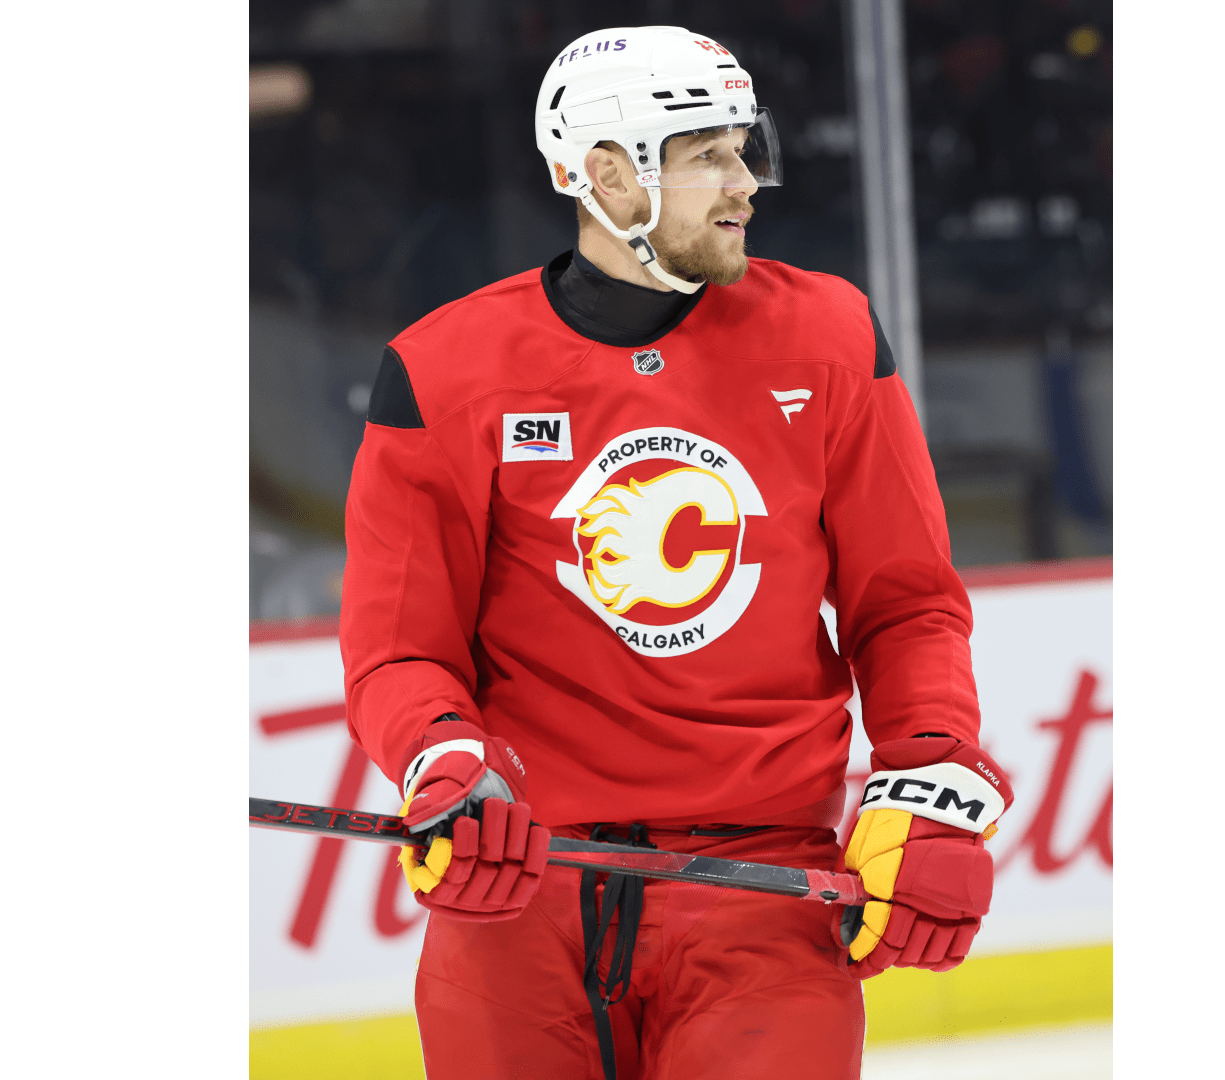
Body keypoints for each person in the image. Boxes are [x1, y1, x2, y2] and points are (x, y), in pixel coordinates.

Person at [340, 25, 1014, 1080]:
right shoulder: (447, 370)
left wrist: (926, 770)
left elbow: (907, 604)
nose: (745, 185)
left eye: (745, 152)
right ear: (604, 173)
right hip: (522, 887)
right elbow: (399, 647)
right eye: (707, 157)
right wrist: (444, 761)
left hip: (764, 895)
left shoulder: (829, 338)